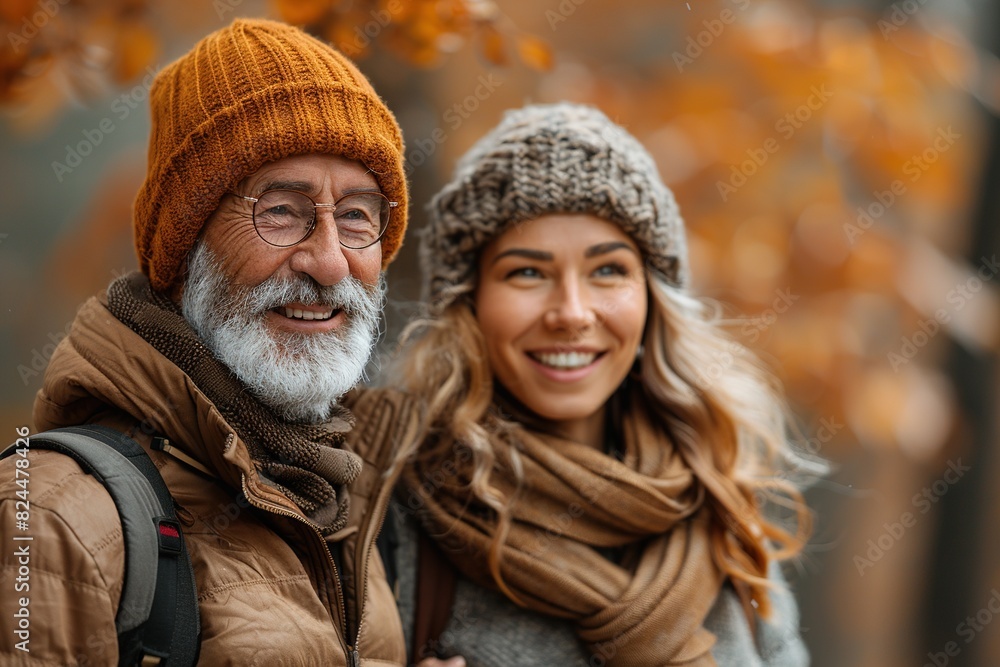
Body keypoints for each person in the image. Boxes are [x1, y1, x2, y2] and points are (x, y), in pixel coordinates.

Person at [0, 18, 413, 666]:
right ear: (184, 246)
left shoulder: (352, 495)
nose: (330, 262)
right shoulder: (51, 518)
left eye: (358, 215)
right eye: (281, 210)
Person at [347, 103, 814, 666]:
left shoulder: (722, 514)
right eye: (527, 272)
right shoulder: (391, 514)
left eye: (608, 270)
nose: (571, 312)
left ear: (651, 299)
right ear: (469, 304)